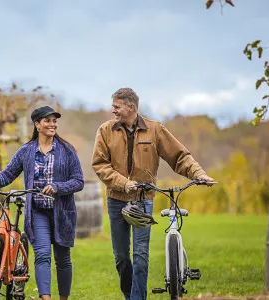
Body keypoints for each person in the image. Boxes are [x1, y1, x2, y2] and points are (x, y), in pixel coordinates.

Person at [91, 88, 214, 300]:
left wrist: (200, 174)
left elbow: (180, 156)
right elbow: (100, 164)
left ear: (131, 107)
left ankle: (138, 298)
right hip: (116, 200)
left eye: (116, 107)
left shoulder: (155, 130)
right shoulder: (105, 130)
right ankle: (129, 293)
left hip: (144, 200)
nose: (113, 111)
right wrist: (124, 183)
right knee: (121, 257)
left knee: (140, 255)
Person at [0, 106, 84, 300]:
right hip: (38, 212)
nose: (52, 124)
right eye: (47, 121)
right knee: (42, 255)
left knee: (63, 260)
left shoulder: (67, 150)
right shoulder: (26, 151)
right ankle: (46, 298)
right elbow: (6, 175)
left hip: (62, 212)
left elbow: (78, 181)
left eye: (54, 121)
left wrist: (57, 187)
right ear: (37, 124)